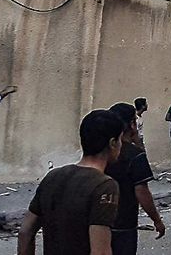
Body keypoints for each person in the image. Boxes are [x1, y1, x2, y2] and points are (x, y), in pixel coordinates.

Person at [18, 109, 124, 255]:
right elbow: (100, 252)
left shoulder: (53, 176)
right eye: (120, 140)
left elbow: (25, 231)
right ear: (112, 143)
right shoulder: (104, 186)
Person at [105, 102, 166, 254]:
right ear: (132, 124)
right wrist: (157, 220)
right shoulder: (135, 155)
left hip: (99, 220)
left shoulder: (101, 150)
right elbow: (142, 192)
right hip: (124, 223)